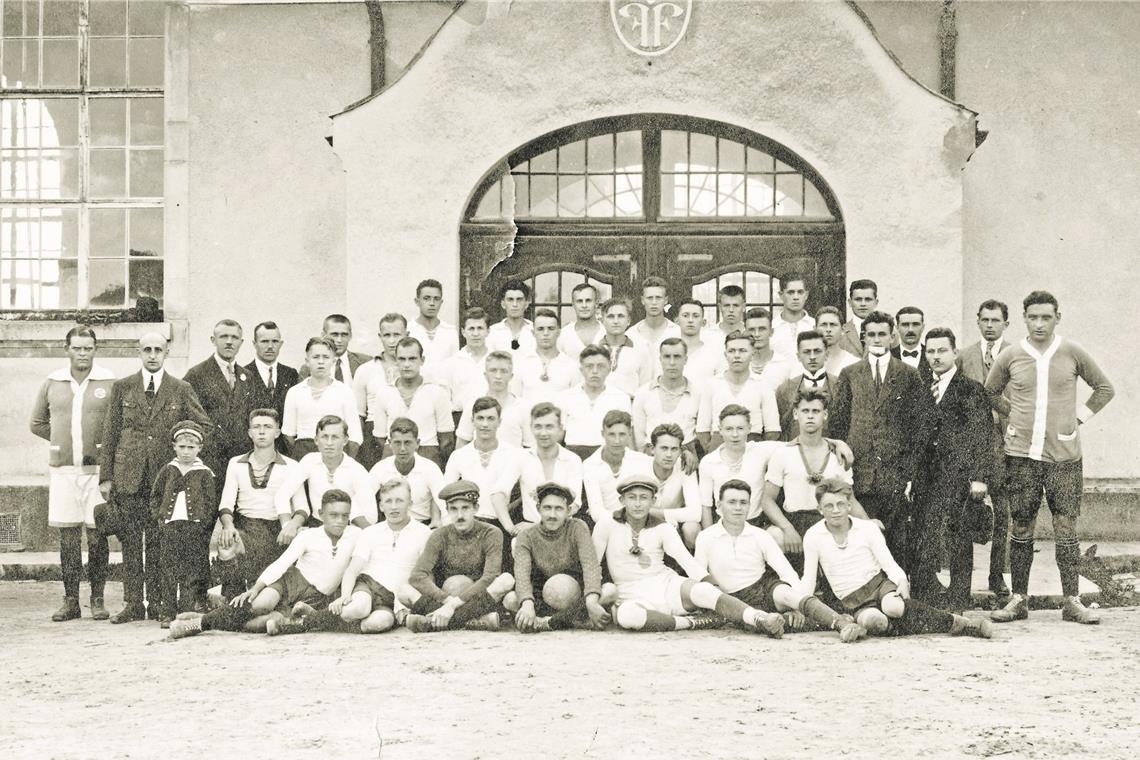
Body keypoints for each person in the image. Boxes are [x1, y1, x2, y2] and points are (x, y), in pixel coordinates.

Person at [986, 291, 1115, 625]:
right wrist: (1012, 415)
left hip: (1064, 457)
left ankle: (1072, 601)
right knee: (1022, 524)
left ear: (1058, 317)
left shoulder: (1071, 351)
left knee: (1065, 526)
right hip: (1022, 456)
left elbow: (1104, 388)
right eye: (1033, 317)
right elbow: (989, 392)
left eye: (1046, 317)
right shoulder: (1012, 354)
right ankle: (1019, 599)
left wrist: (1079, 419)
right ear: (1024, 318)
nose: (1039, 323)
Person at [97, 332, 210, 624]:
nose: (152, 354)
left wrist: (183, 447)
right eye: (146, 349)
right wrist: (106, 477)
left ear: (166, 352)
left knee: (160, 543)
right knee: (131, 544)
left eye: (158, 349)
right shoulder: (123, 387)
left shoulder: (180, 388)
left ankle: (160, 603)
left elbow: (204, 426)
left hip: (165, 481)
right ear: (139, 351)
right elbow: (110, 433)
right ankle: (134, 602)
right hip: (129, 477)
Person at [801, 479, 993, 639]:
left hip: (878, 585)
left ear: (849, 506)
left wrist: (901, 580)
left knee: (894, 607)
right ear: (819, 509)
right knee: (875, 621)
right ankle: (897, 628)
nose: (836, 510)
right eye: (829, 506)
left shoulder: (867, 528)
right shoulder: (813, 536)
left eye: (841, 504)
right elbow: (808, 580)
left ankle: (958, 624)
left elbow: (889, 563)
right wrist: (799, 604)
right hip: (852, 599)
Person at [593, 474, 781, 635]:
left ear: (654, 501)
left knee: (704, 590)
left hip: (666, 585)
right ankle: (691, 622)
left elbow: (688, 562)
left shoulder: (663, 526)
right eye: (632, 497)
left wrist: (712, 586)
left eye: (644, 497)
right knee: (628, 616)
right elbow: (593, 565)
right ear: (622, 500)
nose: (637, 503)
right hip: (630, 593)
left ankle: (759, 618)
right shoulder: (607, 524)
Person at [168, 490, 360, 638]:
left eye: (345, 515)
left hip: (315, 597)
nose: (340, 521)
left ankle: (206, 617)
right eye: (333, 515)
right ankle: (197, 624)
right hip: (291, 581)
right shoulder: (308, 535)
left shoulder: (356, 536)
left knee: (267, 624)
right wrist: (256, 588)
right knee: (260, 604)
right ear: (321, 514)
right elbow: (282, 563)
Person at [696, 479, 865, 642]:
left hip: (762, 590)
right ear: (719, 506)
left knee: (785, 592)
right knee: (756, 621)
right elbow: (700, 579)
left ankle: (842, 624)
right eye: (732, 502)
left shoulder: (760, 535)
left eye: (743, 502)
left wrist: (796, 606)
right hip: (730, 598)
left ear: (749, 505)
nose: (738, 508)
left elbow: (787, 572)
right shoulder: (706, 537)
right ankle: (781, 622)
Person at [30, 325, 116, 622]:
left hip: (97, 471)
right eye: (77, 348)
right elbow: (37, 422)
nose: (82, 353)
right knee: (68, 538)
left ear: (95, 349)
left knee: (96, 536)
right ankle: (70, 601)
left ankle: (98, 599)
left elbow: (116, 426)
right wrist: (60, 443)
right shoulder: (53, 381)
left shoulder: (108, 381)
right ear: (66, 349)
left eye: (88, 348)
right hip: (64, 472)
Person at [830, 310, 923, 568]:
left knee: (896, 541)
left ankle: (896, 591)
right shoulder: (850, 374)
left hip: (895, 473)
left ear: (892, 337)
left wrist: (909, 474)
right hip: (860, 470)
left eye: (882, 334)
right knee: (860, 536)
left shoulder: (908, 374)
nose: (877, 339)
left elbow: (916, 428)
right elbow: (838, 423)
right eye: (871, 334)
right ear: (864, 338)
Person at [911, 327, 994, 609]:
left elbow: (983, 436)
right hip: (925, 478)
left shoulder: (970, 390)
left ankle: (959, 599)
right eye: (930, 351)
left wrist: (979, 478)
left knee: (958, 538)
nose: (936, 357)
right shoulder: (920, 390)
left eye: (942, 350)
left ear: (955, 353)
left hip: (957, 477)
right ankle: (926, 599)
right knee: (925, 535)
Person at [758, 391, 868, 564]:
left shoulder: (838, 455)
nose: (810, 416)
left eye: (815, 411)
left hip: (828, 522)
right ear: (796, 414)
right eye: (805, 411)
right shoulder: (783, 453)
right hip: (795, 523)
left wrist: (868, 523)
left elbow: (850, 499)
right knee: (773, 535)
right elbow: (766, 500)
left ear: (825, 415)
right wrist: (788, 529)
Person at [400, 480, 516, 632]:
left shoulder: (491, 533)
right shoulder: (439, 535)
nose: (459, 515)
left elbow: (490, 576)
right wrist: (447, 601)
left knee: (506, 579)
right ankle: (473, 621)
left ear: (476, 508)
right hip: (447, 596)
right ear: (447, 510)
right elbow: (417, 576)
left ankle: (435, 622)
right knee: (403, 590)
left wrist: (453, 605)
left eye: (465, 508)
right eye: (453, 509)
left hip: (480, 599)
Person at [215, 408, 307, 598]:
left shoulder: (292, 466)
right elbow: (226, 503)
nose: (262, 432)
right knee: (227, 542)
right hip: (246, 528)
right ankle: (232, 597)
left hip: (277, 531)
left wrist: (292, 526)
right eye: (256, 427)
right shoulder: (235, 463)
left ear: (278, 432)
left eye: (267, 426)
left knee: (268, 592)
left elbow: (302, 508)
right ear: (250, 432)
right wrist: (228, 526)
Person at [958, 299, 1013, 600]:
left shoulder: (1017, 355)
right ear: (977, 321)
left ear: (1007, 323)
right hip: (972, 447)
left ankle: (997, 576)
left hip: (1008, 446)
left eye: (996, 320)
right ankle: (963, 580)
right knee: (968, 512)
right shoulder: (963, 357)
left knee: (1003, 514)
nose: (990, 325)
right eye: (985, 320)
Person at [328, 477, 432, 633]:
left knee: (378, 623)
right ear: (381, 506)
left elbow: (426, 575)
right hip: (368, 587)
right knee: (357, 609)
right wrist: (345, 596)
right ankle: (310, 619)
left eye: (400, 501)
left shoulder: (423, 533)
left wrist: (404, 604)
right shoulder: (370, 532)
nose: (394, 507)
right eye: (388, 501)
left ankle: (337, 622)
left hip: (393, 598)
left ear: (410, 503)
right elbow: (353, 569)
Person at [503, 482, 611, 632]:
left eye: (559, 509)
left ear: (568, 511)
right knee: (510, 600)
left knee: (610, 591)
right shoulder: (527, 536)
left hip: (573, 593)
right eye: (547, 508)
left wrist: (592, 601)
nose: (552, 515)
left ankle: (550, 622)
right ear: (538, 509)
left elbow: (590, 565)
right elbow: (522, 575)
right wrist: (527, 603)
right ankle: (571, 619)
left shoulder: (577, 527)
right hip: (542, 595)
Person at [149, 421, 216, 627]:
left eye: (191, 447)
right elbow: (155, 495)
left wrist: (203, 522)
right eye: (182, 447)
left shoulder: (204, 472)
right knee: (169, 568)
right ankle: (167, 611)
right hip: (170, 525)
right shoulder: (168, 470)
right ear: (174, 446)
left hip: (194, 527)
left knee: (191, 570)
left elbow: (210, 501)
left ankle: (186, 610)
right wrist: (159, 516)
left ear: (199, 448)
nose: (186, 452)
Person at [183, 319, 256, 487]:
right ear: (213, 340)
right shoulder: (196, 374)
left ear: (241, 342)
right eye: (223, 337)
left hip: (241, 458)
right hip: (210, 458)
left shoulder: (247, 376)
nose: (229, 342)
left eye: (234, 337)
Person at [275, 415, 377, 535]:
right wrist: (288, 526)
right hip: (316, 526)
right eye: (324, 437)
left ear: (345, 440)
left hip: (346, 529)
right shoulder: (309, 461)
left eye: (335, 437)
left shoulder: (357, 470)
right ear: (316, 440)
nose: (329, 443)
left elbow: (371, 517)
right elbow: (283, 493)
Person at [446, 397, 524, 543]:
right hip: (469, 525)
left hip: (503, 524)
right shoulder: (459, 455)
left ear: (499, 422)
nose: (485, 424)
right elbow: (446, 493)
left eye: (490, 418)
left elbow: (526, 489)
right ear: (472, 421)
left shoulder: (514, 453)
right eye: (480, 418)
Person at [371, 336, 454, 467]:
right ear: (396, 361)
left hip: (428, 456)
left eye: (412, 359)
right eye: (402, 359)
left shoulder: (437, 392)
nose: (407, 364)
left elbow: (446, 439)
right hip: (393, 458)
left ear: (422, 360)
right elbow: (380, 438)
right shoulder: (384, 392)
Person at [695, 331, 780, 451]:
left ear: (753, 354)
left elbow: (773, 430)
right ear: (725, 354)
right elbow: (702, 430)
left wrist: (760, 454)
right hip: (719, 447)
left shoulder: (763, 385)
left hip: (753, 447)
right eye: (731, 351)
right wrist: (715, 452)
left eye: (743, 351)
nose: (737, 355)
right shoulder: (712, 384)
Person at [698, 405, 781, 527]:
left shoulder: (761, 450)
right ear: (720, 430)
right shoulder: (708, 462)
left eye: (740, 428)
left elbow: (792, 445)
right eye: (729, 429)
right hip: (724, 524)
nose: (735, 434)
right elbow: (706, 505)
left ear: (749, 428)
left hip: (756, 523)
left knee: (777, 534)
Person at [281, 337, 362, 459]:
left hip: (336, 454)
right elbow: (288, 434)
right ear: (307, 361)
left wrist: (343, 463)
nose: (321, 361)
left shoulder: (344, 392)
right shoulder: (295, 392)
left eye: (325, 357)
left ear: (333, 361)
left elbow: (355, 436)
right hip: (304, 454)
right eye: (316, 357)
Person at [555, 344, 633, 459]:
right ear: (581, 369)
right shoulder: (565, 397)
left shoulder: (621, 397)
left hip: (609, 455)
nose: (595, 371)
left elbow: (626, 438)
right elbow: (558, 438)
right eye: (589, 366)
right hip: (573, 455)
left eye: (600, 366)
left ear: (609, 368)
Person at [514, 402, 584, 526]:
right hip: (530, 529)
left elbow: (575, 503)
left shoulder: (573, 460)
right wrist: (511, 528)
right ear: (531, 427)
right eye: (538, 426)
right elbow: (499, 493)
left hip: (564, 528)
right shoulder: (520, 457)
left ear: (560, 428)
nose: (543, 433)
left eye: (549, 426)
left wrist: (544, 528)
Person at [353, 312, 408, 469]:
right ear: (380, 336)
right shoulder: (365, 370)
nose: (392, 341)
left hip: (406, 433)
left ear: (407, 334)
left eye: (397, 335)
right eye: (387, 335)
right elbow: (359, 414)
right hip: (373, 437)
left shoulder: (414, 368)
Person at [368, 417, 444, 527]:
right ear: (390, 443)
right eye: (397, 443)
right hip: (389, 528)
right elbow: (362, 500)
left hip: (423, 527)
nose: (402, 449)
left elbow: (445, 505)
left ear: (417, 443)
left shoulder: (430, 469)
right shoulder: (380, 468)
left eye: (407, 442)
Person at [582, 410, 653, 524]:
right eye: (611, 434)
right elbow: (596, 512)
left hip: (639, 523)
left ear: (630, 434)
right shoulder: (589, 465)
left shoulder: (641, 461)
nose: (617, 441)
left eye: (622, 434)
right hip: (605, 525)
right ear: (603, 434)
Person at [632, 337, 700, 452]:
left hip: (686, 464)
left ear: (685, 360)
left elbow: (701, 435)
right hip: (650, 462)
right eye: (667, 357)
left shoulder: (698, 394)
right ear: (660, 359)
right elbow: (639, 438)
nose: (672, 363)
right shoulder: (643, 393)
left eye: (677, 357)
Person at [645, 424, 702, 551]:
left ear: (681, 451)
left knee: (692, 528)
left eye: (674, 449)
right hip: (645, 522)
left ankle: (691, 566)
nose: (669, 454)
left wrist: (655, 513)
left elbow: (696, 513)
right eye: (664, 448)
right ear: (652, 449)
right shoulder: (640, 466)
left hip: (674, 521)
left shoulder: (686, 466)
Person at [455, 350, 526, 448]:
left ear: (511, 376)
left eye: (504, 371)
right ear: (485, 374)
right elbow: (462, 443)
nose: (498, 376)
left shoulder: (523, 407)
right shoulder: (473, 404)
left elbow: (530, 448)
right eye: (493, 370)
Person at [774, 330, 836, 440]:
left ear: (826, 354)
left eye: (817, 351)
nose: (812, 357)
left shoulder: (840, 385)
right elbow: (782, 428)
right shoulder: (785, 389)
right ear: (798, 356)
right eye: (807, 352)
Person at [512, 308, 581, 404]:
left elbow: (575, 402)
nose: (545, 333)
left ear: (558, 332)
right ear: (533, 333)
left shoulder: (571, 366)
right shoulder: (521, 364)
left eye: (551, 328)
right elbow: (515, 400)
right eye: (540, 329)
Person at [245, 320, 299, 427]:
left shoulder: (290, 374)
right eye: (264, 341)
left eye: (275, 341)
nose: (270, 346)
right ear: (254, 344)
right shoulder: (243, 374)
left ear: (281, 344)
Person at [441, 308, 492, 420]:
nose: (475, 333)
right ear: (463, 332)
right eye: (471, 329)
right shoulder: (451, 364)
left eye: (480, 328)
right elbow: (444, 401)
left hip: (491, 419)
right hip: (460, 418)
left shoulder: (495, 361)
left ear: (488, 331)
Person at [407, 278, 459, 381]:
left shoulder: (450, 332)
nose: (432, 303)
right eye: (426, 298)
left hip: (443, 391)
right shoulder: (408, 330)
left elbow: (454, 368)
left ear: (441, 302)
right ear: (417, 302)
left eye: (436, 299)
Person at [599, 297, 651, 397]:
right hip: (601, 407)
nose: (616, 321)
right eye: (610, 316)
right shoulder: (594, 348)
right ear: (602, 320)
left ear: (628, 320)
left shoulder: (641, 349)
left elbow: (645, 386)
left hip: (629, 408)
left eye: (621, 316)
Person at [299, 314, 371, 383]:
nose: (339, 340)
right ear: (323, 335)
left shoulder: (366, 362)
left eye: (344, 335)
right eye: (334, 335)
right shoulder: (309, 367)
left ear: (350, 336)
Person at [743, 307, 796, 390]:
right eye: (752, 330)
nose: (757, 334)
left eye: (762, 329)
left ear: (771, 332)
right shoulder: (738, 363)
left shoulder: (784, 365)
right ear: (745, 333)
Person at [674, 298, 723, 387]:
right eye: (685, 315)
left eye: (696, 316)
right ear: (677, 321)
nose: (690, 320)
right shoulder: (669, 352)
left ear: (703, 322)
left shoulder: (714, 353)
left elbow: (720, 386)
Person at [627, 276, 681, 357]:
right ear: (642, 300)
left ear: (666, 300)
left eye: (658, 298)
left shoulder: (677, 333)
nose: (654, 302)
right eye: (649, 298)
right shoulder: (631, 334)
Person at [770, 274, 815, 362]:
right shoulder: (771, 327)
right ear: (781, 295)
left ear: (806, 295)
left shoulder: (815, 326)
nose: (796, 297)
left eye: (800, 292)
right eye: (790, 292)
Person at [557, 282, 605, 360]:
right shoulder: (564, 334)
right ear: (573, 304)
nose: (584, 305)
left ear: (596, 303)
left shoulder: (606, 332)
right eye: (579, 301)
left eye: (588, 300)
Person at [487, 280, 535, 354]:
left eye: (519, 299)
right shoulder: (492, 332)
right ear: (503, 304)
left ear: (526, 304)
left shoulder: (535, 331)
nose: (515, 304)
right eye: (510, 300)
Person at [813, 306, 860, 377]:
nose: (828, 329)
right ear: (815, 329)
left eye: (833, 325)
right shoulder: (804, 362)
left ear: (843, 329)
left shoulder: (853, 363)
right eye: (824, 325)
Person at [838, 278, 879, 357]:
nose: (863, 304)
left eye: (868, 299)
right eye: (858, 299)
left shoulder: (889, 331)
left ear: (876, 302)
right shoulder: (840, 332)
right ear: (850, 302)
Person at [892, 306, 929, 373]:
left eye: (915, 324)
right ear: (897, 327)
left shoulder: (931, 354)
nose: (910, 330)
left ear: (923, 327)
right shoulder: (889, 356)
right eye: (905, 325)